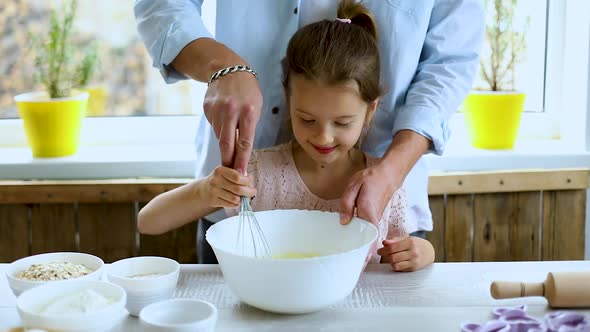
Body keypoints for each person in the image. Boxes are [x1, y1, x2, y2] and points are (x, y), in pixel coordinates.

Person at [134, 0, 484, 263]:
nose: (324, 138)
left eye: (342, 123)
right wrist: (206, 190)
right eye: (307, 119)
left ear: (371, 108)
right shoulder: (256, 174)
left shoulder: (392, 194)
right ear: (288, 99)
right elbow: (147, 221)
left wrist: (422, 251)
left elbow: (451, 60)